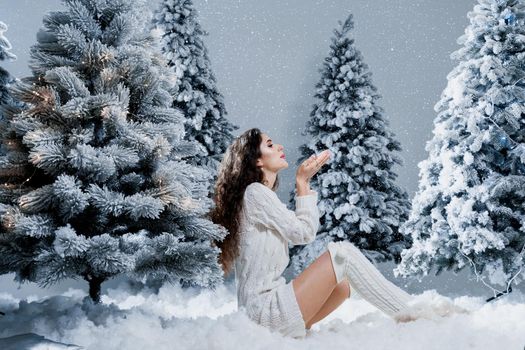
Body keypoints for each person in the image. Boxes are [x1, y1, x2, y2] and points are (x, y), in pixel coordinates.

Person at [210, 128, 466, 338]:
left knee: (342, 285)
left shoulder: (259, 196)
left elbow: (301, 231)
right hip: (264, 313)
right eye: (269, 144)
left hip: (265, 312)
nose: (278, 147)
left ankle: (414, 311)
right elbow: (303, 233)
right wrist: (302, 184)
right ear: (256, 160)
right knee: (342, 255)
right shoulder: (256, 192)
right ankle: (417, 314)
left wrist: (304, 184)